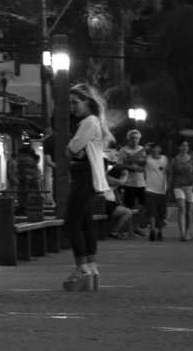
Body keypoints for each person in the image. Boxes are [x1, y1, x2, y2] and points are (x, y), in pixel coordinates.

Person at [65, 83, 112, 291]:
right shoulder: (94, 122)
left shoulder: (88, 122)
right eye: (70, 103)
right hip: (89, 178)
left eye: (75, 102)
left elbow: (72, 148)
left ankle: (81, 269)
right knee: (85, 224)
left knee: (71, 223)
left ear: (87, 101)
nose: (72, 107)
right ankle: (90, 267)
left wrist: (71, 149)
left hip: (84, 178)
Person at [117, 130, 148, 235]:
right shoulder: (123, 150)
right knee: (128, 206)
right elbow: (119, 165)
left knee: (144, 204)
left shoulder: (141, 149)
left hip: (141, 182)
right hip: (128, 182)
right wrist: (128, 167)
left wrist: (139, 165)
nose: (134, 140)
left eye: (136, 138)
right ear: (128, 139)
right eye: (132, 138)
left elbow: (144, 163)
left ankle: (136, 226)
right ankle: (128, 229)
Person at [170, 139, 193, 241]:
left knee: (188, 211)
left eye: (186, 146)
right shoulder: (174, 160)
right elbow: (172, 175)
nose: (185, 148)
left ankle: (187, 232)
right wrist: (170, 187)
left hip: (190, 185)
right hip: (178, 186)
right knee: (182, 209)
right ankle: (182, 233)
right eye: (182, 145)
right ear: (178, 147)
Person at [143, 141, 169, 241]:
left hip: (161, 189)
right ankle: (152, 230)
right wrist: (143, 149)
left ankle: (160, 231)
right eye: (152, 148)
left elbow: (169, 172)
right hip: (149, 189)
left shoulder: (165, 159)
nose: (153, 149)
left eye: (155, 147)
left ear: (159, 149)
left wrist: (169, 186)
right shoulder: (147, 159)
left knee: (161, 212)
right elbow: (134, 159)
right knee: (151, 211)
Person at [105, 163, 134, 239]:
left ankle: (125, 233)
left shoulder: (107, 177)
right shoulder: (106, 177)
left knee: (128, 210)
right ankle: (114, 231)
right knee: (127, 212)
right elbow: (120, 182)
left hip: (111, 203)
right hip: (106, 203)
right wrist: (125, 174)